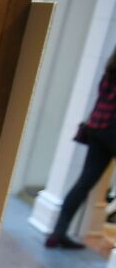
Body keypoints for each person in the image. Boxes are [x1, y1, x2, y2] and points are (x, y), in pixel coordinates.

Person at [47, 47, 116, 249]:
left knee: (84, 182)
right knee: (85, 182)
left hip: (97, 127)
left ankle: (58, 233)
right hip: (112, 131)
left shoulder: (109, 71)